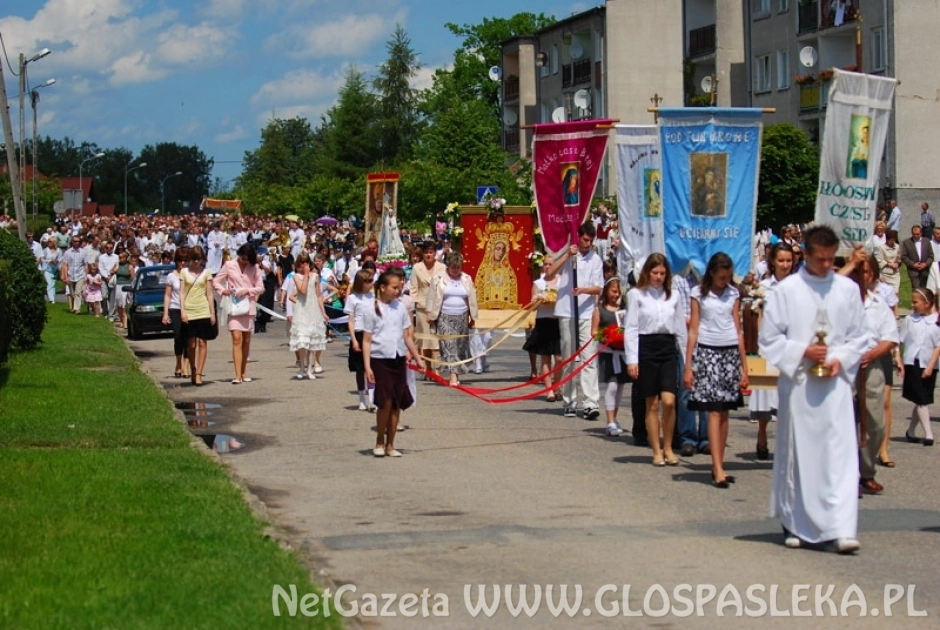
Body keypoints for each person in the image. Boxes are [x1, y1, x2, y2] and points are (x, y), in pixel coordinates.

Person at [759, 225, 869, 553]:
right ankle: (797, 524)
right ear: (804, 254)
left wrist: (840, 358)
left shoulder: (846, 290)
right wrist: (803, 351)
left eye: (830, 259)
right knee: (801, 456)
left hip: (834, 384)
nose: (825, 265)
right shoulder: (786, 291)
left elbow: (860, 336)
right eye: (819, 259)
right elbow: (769, 338)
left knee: (839, 456)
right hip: (801, 384)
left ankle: (842, 527)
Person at [683, 253, 748, 488]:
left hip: (730, 351)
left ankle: (720, 463)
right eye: (721, 277)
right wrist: (688, 365)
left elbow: (739, 329)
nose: (724, 281)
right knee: (713, 410)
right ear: (711, 273)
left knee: (726, 411)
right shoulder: (698, 294)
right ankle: (717, 467)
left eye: (728, 277)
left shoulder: (733, 293)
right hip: (708, 351)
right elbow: (693, 329)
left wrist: (744, 367)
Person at [840, 249, 899, 494]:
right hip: (844, 367)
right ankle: (843, 474)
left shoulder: (879, 305)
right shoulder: (839, 301)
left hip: (871, 366)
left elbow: (890, 337)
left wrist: (873, 354)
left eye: (865, 272)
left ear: (872, 274)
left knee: (874, 424)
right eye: (856, 271)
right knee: (842, 423)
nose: (860, 276)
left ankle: (866, 471)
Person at [626, 253, 687, 466]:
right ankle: (656, 450)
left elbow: (680, 327)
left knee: (669, 401)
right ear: (647, 273)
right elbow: (631, 328)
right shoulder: (637, 295)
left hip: (668, 347)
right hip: (647, 347)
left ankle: (668, 446)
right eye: (655, 273)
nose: (658, 277)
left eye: (662, 273)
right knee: (651, 404)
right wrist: (632, 360)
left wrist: (688, 359)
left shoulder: (674, 296)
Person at [363, 268, 425, 458]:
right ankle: (379, 441)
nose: (397, 291)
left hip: (398, 358)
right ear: (382, 287)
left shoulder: (400, 308)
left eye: (399, 287)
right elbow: (367, 340)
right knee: (385, 401)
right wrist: (367, 366)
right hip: (380, 359)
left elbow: (407, 336)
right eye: (394, 287)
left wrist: (417, 357)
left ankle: (391, 444)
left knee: (397, 402)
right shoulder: (372, 309)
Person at [546, 222, 603, 419]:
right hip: (567, 310)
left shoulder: (596, 259)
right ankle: (569, 400)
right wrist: (568, 255)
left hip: (586, 312)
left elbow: (598, 287)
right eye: (585, 240)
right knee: (569, 356)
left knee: (589, 358)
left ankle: (590, 402)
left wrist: (584, 290)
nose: (587, 244)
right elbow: (549, 274)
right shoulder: (570, 255)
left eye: (591, 240)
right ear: (578, 237)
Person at [748, 243, 794, 459]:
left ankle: (787, 443)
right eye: (781, 260)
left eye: (788, 260)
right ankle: (762, 434)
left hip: (792, 346)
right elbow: (758, 316)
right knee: (765, 393)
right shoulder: (764, 287)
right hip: (768, 346)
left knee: (789, 397)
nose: (785, 265)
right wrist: (759, 347)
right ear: (773, 262)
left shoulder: (799, 285)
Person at [213, 243, 265, 384]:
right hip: (234, 306)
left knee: (246, 340)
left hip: (248, 306)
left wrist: (248, 290)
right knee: (237, 338)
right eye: (243, 259)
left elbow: (260, 288)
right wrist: (223, 291)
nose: (244, 262)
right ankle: (236, 375)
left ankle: (243, 372)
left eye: (247, 260)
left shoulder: (254, 267)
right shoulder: (229, 265)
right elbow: (216, 281)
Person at [425, 252, 479, 387]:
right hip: (444, 316)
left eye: (458, 267)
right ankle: (453, 376)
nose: (456, 270)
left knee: (460, 346)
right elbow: (431, 297)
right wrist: (429, 313)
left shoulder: (466, 278)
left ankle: (456, 372)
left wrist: (473, 317)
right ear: (448, 266)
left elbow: (471, 299)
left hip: (462, 316)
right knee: (449, 346)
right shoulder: (438, 278)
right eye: (453, 267)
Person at [899, 288, 940, 447]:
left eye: (916, 302)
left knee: (921, 399)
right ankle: (929, 434)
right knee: (921, 398)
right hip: (912, 362)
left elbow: (938, 347)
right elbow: (899, 340)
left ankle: (910, 431)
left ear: (927, 303)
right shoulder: (910, 319)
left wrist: (930, 366)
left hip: (929, 363)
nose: (912, 304)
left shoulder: (937, 321)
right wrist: (898, 359)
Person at [592, 277, 629, 437]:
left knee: (620, 386)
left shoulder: (623, 311)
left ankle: (614, 417)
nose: (616, 295)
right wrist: (605, 336)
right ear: (607, 291)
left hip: (622, 353)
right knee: (612, 385)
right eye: (613, 291)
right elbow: (594, 332)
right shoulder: (599, 310)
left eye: (618, 292)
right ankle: (609, 421)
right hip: (607, 353)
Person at [523, 260, 562, 402]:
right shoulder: (538, 283)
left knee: (559, 358)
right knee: (545, 357)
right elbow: (532, 304)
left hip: (558, 320)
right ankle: (549, 390)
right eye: (545, 264)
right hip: (544, 320)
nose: (547, 266)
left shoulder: (561, 281)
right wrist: (538, 299)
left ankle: (558, 386)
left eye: (551, 264)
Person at [288, 251, 328, 380]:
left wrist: (323, 312)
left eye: (306, 262)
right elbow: (302, 290)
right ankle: (302, 367)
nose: (304, 265)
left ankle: (310, 368)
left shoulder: (315, 276)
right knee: (302, 340)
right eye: (302, 262)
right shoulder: (296, 277)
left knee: (312, 342)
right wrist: (305, 275)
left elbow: (319, 296)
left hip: (313, 310)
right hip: (302, 311)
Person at [180, 246, 217, 386]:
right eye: (194, 259)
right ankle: (192, 368)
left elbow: (209, 293)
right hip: (189, 310)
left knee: (203, 342)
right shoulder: (184, 272)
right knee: (191, 343)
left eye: (199, 259)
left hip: (203, 310)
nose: (196, 262)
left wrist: (212, 313)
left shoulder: (206, 273)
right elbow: (182, 293)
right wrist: (182, 311)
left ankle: (199, 372)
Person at [409, 242, 446, 378]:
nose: (428, 255)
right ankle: (428, 367)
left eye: (431, 252)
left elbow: (445, 285)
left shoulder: (442, 267)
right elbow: (413, 288)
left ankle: (436, 369)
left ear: (435, 253)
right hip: (422, 307)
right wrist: (415, 302)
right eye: (426, 252)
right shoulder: (417, 268)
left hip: (438, 306)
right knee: (425, 339)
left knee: (435, 339)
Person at [345, 269, 376, 409]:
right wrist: (354, 340)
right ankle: (362, 398)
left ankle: (372, 397)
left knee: (371, 367)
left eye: (372, 280)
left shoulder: (374, 297)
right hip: (358, 332)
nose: (371, 283)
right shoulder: (353, 298)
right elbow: (351, 320)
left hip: (371, 334)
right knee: (360, 368)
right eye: (368, 281)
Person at [162, 247, 191, 378]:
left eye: (185, 260)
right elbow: (167, 295)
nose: (183, 263)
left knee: (189, 338)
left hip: (190, 309)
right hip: (175, 308)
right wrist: (165, 313)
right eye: (180, 260)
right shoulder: (171, 276)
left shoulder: (191, 275)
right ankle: (178, 363)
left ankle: (186, 365)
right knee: (178, 336)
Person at [901, 225, 934, 289]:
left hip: (925, 271)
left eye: (917, 234)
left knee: (924, 289)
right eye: (914, 234)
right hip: (913, 271)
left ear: (921, 233)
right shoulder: (906, 242)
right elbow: (904, 257)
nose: (915, 236)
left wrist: (925, 264)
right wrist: (913, 264)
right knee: (916, 289)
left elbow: (931, 256)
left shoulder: (927, 241)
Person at [60, 235, 87, 314]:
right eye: (75, 241)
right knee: (72, 293)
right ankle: (74, 307)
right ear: (72, 242)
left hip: (80, 274)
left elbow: (85, 265)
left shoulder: (83, 252)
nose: (77, 243)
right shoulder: (67, 252)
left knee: (78, 292)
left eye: (78, 241)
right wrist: (65, 276)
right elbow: (65, 265)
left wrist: (86, 276)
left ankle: (77, 309)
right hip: (70, 275)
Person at [875, 228, 901, 297]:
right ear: (887, 239)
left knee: (895, 293)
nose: (893, 241)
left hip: (895, 274)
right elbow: (879, 260)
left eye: (894, 239)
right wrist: (889, 264)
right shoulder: (881, 248)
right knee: (885, 294)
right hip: (885, 274)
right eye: (891, 240)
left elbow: (899, 258)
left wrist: (897, 263)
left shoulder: (897, 247)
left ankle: (895, 307)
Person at [40, 238, 61, 303]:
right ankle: (51, 299)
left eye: (50, 242)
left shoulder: (58, 250)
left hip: (54, 269)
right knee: (49, 283)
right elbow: (42, 259)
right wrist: (49, 261)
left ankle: (53, 297)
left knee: (53, 283)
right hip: (46, 269)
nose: (49, 243)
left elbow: (61, 260)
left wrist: (57, 263)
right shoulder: (46, 250)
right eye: (48, 242)